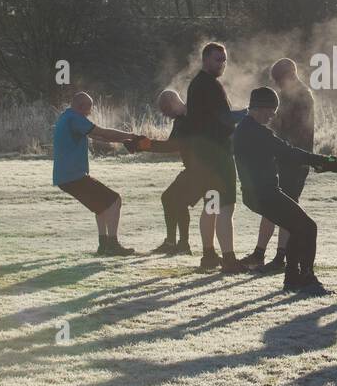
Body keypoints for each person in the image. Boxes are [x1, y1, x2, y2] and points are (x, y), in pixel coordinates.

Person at [232, 87, 337, 295]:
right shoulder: (258, 132)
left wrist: (318, 163)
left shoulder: (244, 128)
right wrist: (327, 161)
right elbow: (289, 152)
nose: (273, 115)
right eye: (272, 110)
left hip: (255, 194)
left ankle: (292, 278)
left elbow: (284, 155)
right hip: (265, 194)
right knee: (308, 227)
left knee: (297, 228)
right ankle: (306, 279)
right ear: (260, 108)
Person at [242, 58, 316, 272]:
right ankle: (260, 253)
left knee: (287, 207)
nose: (278, 84)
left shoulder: (301, 97)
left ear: (290, 75)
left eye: (279, 80)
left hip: (293, 161)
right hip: (282, 159)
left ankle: (280, 257)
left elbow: (290, 131)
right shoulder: (288, 95)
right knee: (272, 204)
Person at [51, 91, 140, 256]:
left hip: (65, 177)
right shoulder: (75, 118)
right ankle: (112, 245)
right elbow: (102, 132)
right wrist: (132, 136)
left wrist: (123, 141)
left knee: (101, 207)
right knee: (114, 200)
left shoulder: (66, 117)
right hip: (73, 176)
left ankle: (103, 245)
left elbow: (97, 136)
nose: (90, 113)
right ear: (81, 107)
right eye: (88, 109)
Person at [185, 42, 247, 273]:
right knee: (225, 206)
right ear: (205, 59)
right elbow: (225, 118)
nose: (222, 63)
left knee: (211, 205)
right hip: (217, 156)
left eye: (224, 59)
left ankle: (209, 255)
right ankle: (229, 259)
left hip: (203, 156)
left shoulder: (198, 84)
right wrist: (250, 113)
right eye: (217, 59)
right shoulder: (209, 85)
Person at [127, 89, 197, 255]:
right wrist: (143, 144)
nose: (165, 116)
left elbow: (173, 146)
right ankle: (174, 243)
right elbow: (171, 145)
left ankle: (181, 245)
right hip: (194, 168)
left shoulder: (189, 118)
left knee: (176, 200)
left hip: (202, 169)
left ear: (173, 103)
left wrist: (143, 145)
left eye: (166, 110)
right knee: (169, 198)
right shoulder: (182, 119)